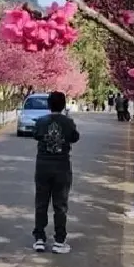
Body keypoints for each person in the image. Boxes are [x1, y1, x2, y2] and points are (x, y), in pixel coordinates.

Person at [31, 90, 80, 254]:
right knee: (60, 205)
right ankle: (59, 240)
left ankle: (39, 238)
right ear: (64, 105)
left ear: (48, 104)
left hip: (43, 166)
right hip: (62, 167)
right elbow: (75, 137)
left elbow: (36, 135)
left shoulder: (41, 122)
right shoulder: (68, 122)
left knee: (41, 203)